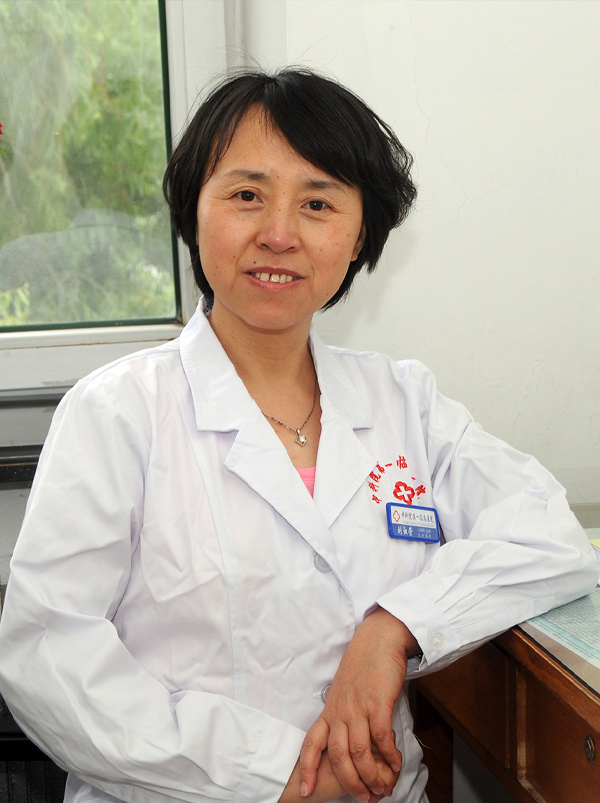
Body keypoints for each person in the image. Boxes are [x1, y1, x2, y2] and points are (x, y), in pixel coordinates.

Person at [0, 68, 597, 803]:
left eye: (317, 203)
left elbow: (548, 535)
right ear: (194, 212)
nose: (278, 234)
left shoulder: (403, 401)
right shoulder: (116, 412)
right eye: (246, 196)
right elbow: (47, 653)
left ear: (359, 235)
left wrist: (394, 627)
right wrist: (280, 774)